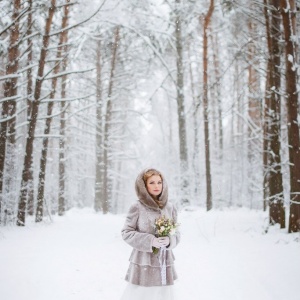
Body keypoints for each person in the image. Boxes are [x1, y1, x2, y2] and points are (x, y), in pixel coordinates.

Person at [120, 168, 180, 300]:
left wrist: (170, 240)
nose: (157, 186)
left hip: (164, 262)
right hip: (143, 264)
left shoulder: (170, 207)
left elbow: (177, 233)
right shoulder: (137, 207)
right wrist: (150, 241)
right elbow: (126, 233)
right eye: (152, 182)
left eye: (159, 182)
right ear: (144, 186)